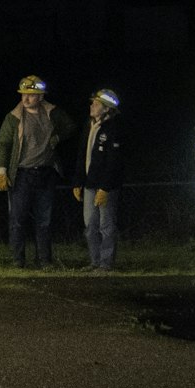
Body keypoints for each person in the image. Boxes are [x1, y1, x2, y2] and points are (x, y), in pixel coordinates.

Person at [0, 75, 77, 268]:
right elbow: (3, 144)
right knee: (18, 219)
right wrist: (1, 171)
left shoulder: (52, 112)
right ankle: (17, 260)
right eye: (23, 94)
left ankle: (44, 260)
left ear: (40, 96)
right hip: (22, 174)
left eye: (31, 95)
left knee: (44, 220)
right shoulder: (13, 117)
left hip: (46, 173)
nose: (25, 99)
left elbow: (70, 126)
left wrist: (57, 137)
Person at [73, 88, 126, 272]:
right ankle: (94, 261)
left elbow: (114, 162)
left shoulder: (114, 129)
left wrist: (105, 187)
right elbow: (82, 155)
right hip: (89, 184)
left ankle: (106, 263)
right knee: (90, 224)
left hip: (106, 187)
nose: (92, 106)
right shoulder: (90, 125)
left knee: (106, 224)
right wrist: (78, 181)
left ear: (106, 109)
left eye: (96, 104)